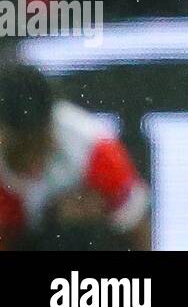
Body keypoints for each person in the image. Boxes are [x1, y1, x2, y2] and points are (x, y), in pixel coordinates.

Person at [0, 63, 150, 251]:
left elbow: (136, 225)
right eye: (22, 151)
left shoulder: (93, 149)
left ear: (50, 126)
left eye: (38, 146)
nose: (33, 164)